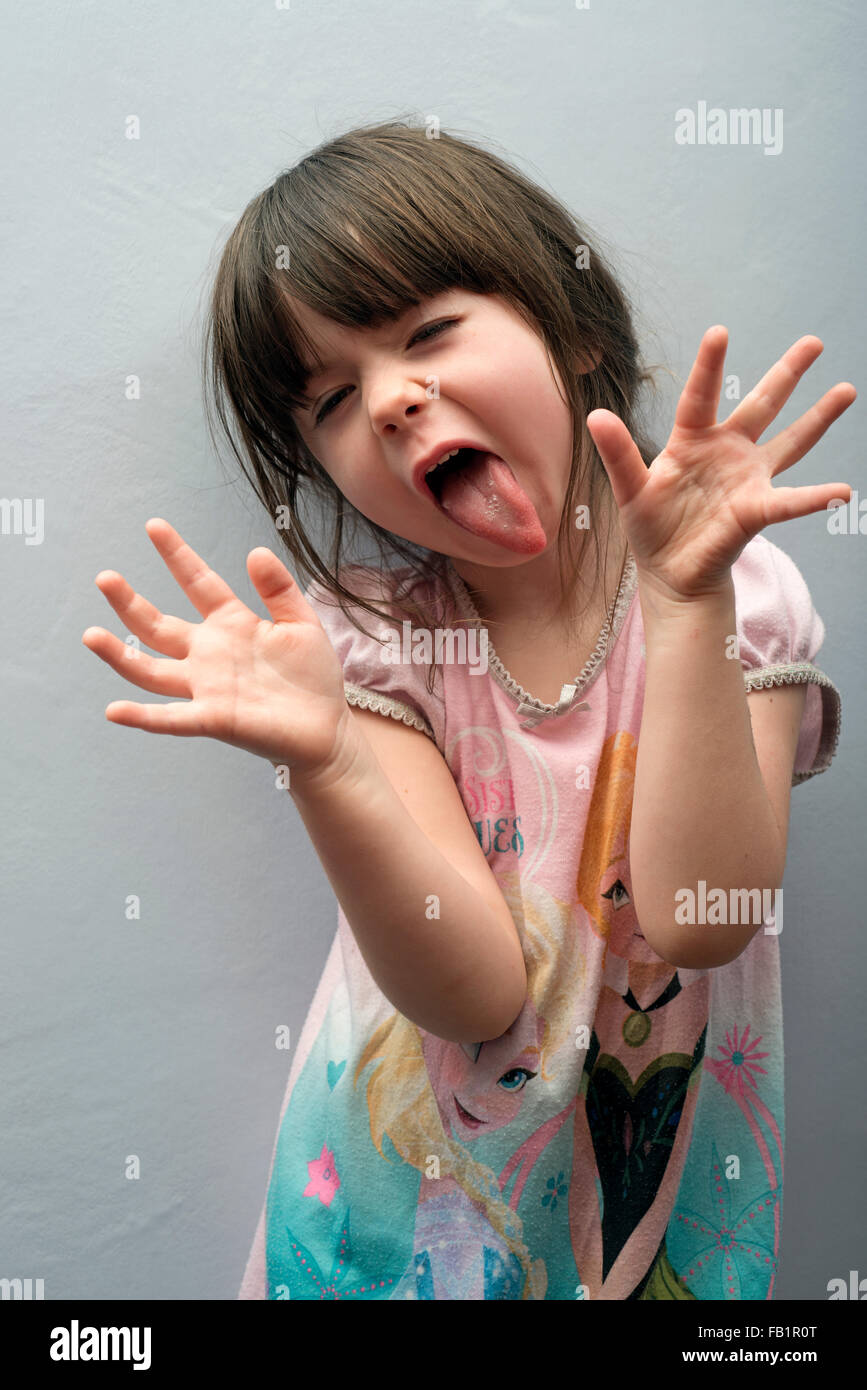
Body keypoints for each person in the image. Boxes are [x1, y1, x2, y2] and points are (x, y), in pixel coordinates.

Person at [82, 120, 855, 1300]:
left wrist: (687, 605)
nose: (391, 399)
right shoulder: (378, 648)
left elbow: (702, 919)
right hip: (401, 1227)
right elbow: (475, 994)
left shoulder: (740, 596)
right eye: (332, 399)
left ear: (573, 327)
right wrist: (332, 767)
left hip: (644, 1212)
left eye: (428, 332)